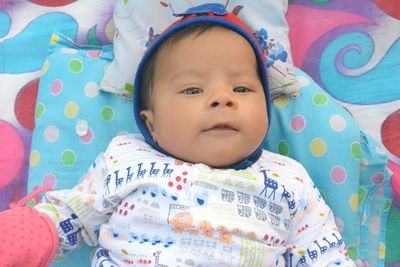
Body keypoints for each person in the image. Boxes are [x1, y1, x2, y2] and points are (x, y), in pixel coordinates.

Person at [0, 3, 356, 267]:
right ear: (150, 123)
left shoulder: (290, 179)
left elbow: (324, 255)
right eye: (191, 90)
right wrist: (21, 233)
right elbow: (69, 216)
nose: (223, 98)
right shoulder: (127, 159)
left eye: (244, 89)